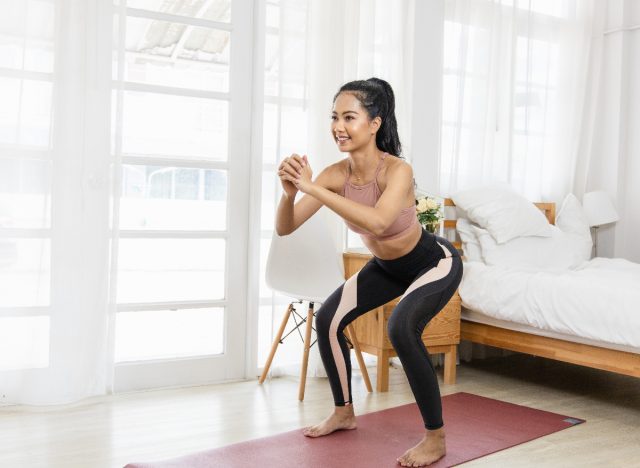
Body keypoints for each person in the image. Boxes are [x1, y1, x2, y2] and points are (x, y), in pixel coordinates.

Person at [275, 77, 462, 467]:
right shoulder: (333, 175)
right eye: (334, 117)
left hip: (432, 263)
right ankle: (344, 411)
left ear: (375, 123)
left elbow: (377, 223)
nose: (338, 127)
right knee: (327, 320)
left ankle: (435, 438)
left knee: (400, 329)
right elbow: (286, 227)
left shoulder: (398, 170)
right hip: (387, 267)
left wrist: (312, 189)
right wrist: (291, 192)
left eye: (349, 117)